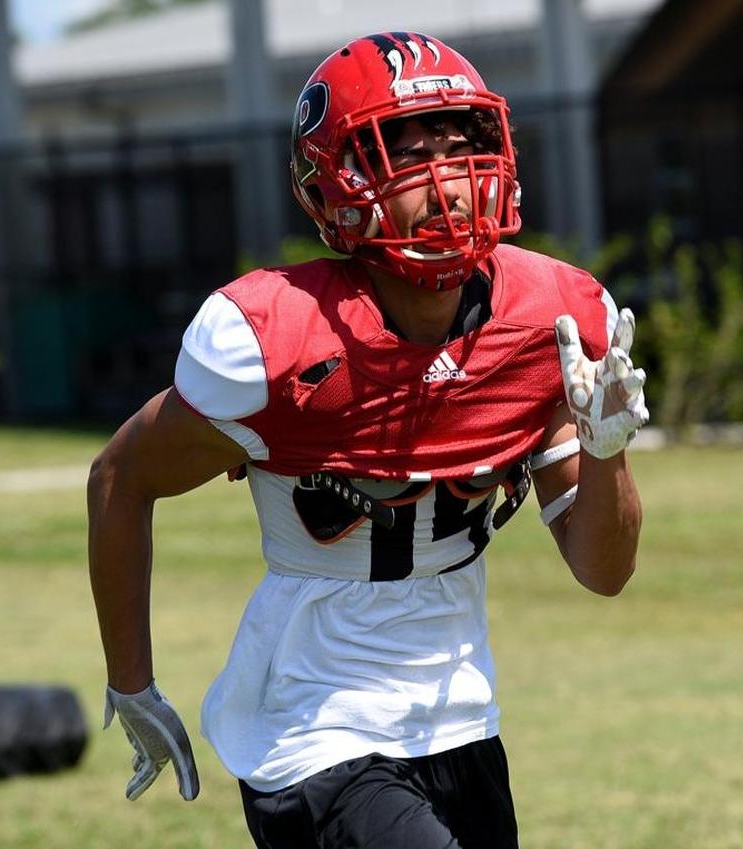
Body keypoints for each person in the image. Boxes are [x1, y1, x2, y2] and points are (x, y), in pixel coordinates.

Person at [89, 31, 649, 849]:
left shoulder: (548, 321)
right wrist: (131, 681)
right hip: (313, 727)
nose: (447, 179)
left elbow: (605, 571)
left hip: (459, 718)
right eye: (409, 154)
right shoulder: (275, 340)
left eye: (461, 147)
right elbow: (120, 476)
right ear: (337, 186)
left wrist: (605, 451)